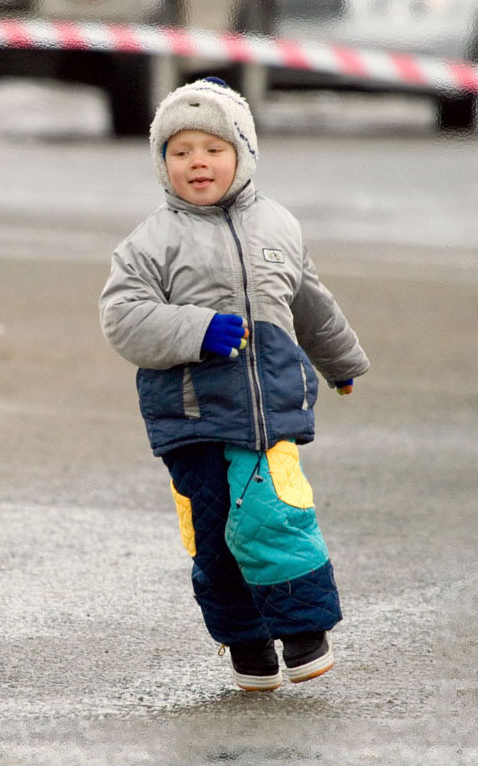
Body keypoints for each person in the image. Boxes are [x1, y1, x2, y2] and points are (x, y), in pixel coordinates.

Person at [99, 77, 369, 692]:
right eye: (181, 150)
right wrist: (196, 330)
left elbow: (310, 302)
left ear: (243, 154)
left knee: (276, 515)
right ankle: (246, 643)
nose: (198, 162)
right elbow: (123, 319)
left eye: (213, 149)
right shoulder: (149, 243)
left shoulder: (278, 226)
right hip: (190, 416)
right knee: (214, 535)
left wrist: (340, 360)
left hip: (268, 407)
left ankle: (304, 633)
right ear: (161, 163)